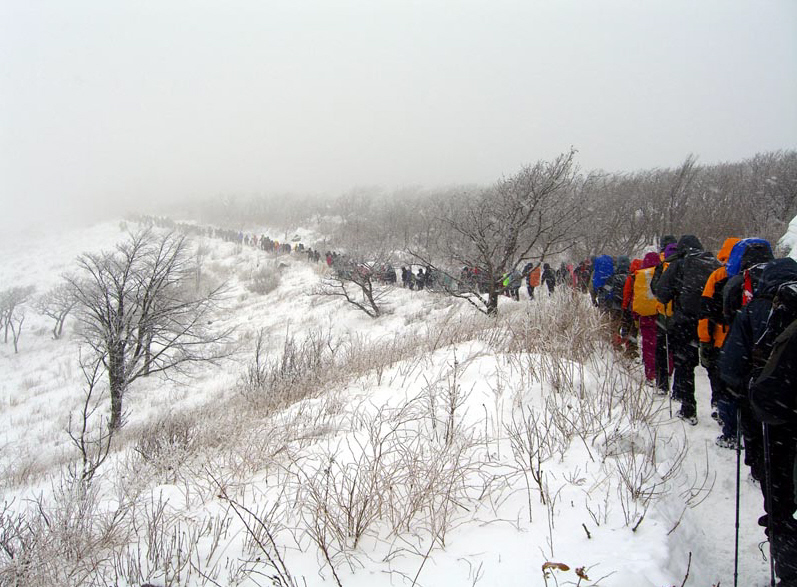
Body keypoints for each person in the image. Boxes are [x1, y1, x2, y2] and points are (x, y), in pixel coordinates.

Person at [721, 258, 797, 586]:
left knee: (780, 500)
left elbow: (732, 369)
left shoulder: (755, 312)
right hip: (782, 413)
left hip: (778, 423)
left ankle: (790, 570)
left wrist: (745, 394)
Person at [654, 235, 719, 425]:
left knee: (685, 365)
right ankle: (719, 406)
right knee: (713, 366)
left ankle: (688, 408)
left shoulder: (679, 264)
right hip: (711, 322)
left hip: (685, 322)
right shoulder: (714, 263)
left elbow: (661, 293)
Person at [697, 237, 740, 447]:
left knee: (723, 384)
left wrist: (705, 339)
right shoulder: (757, 275)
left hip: (722, 340)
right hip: (751, 344)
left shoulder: (718, 275)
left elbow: (706, 311)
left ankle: (729, 428)